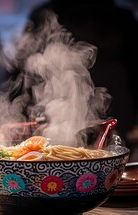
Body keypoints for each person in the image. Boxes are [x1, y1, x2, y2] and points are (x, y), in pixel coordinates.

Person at [24, 0, 138, 142]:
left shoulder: (121, 17)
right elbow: (25, 69)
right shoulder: (43, 15)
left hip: (115, 108)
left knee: (110, 149)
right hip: (56, 111)